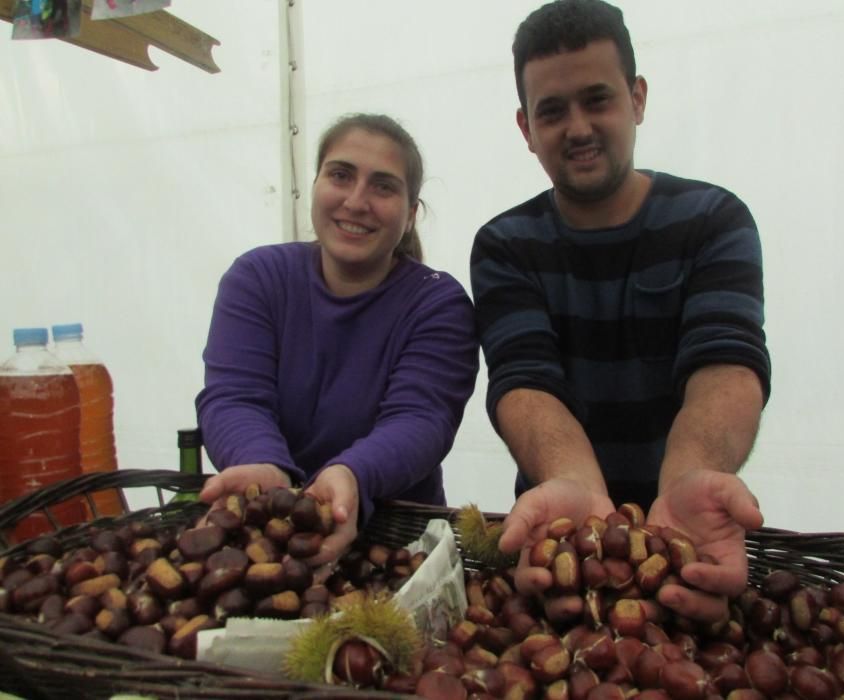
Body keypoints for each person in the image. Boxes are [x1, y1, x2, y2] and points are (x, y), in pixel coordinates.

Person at [470, 0, 770, 621]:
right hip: (561, 542)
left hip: (696, 533)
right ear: (526, 129)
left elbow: (727, 365)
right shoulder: (505, 245)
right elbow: (524, 382)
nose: (577, 127)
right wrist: (576, 483)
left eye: (597, 99)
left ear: (636, 99)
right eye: (552, 111)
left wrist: (690, 475)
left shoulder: (714, 221)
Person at [196, 113, 479, 564]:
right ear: (315, 186)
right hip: (270, 538)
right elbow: (234, 397)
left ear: (410, 215)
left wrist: (353, 475)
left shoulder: (437, 303)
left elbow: (421, 419)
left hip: (397, 548)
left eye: (383, 186)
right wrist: (266, 470)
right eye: (340, 175)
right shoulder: (257, 278)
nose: (356, 200)